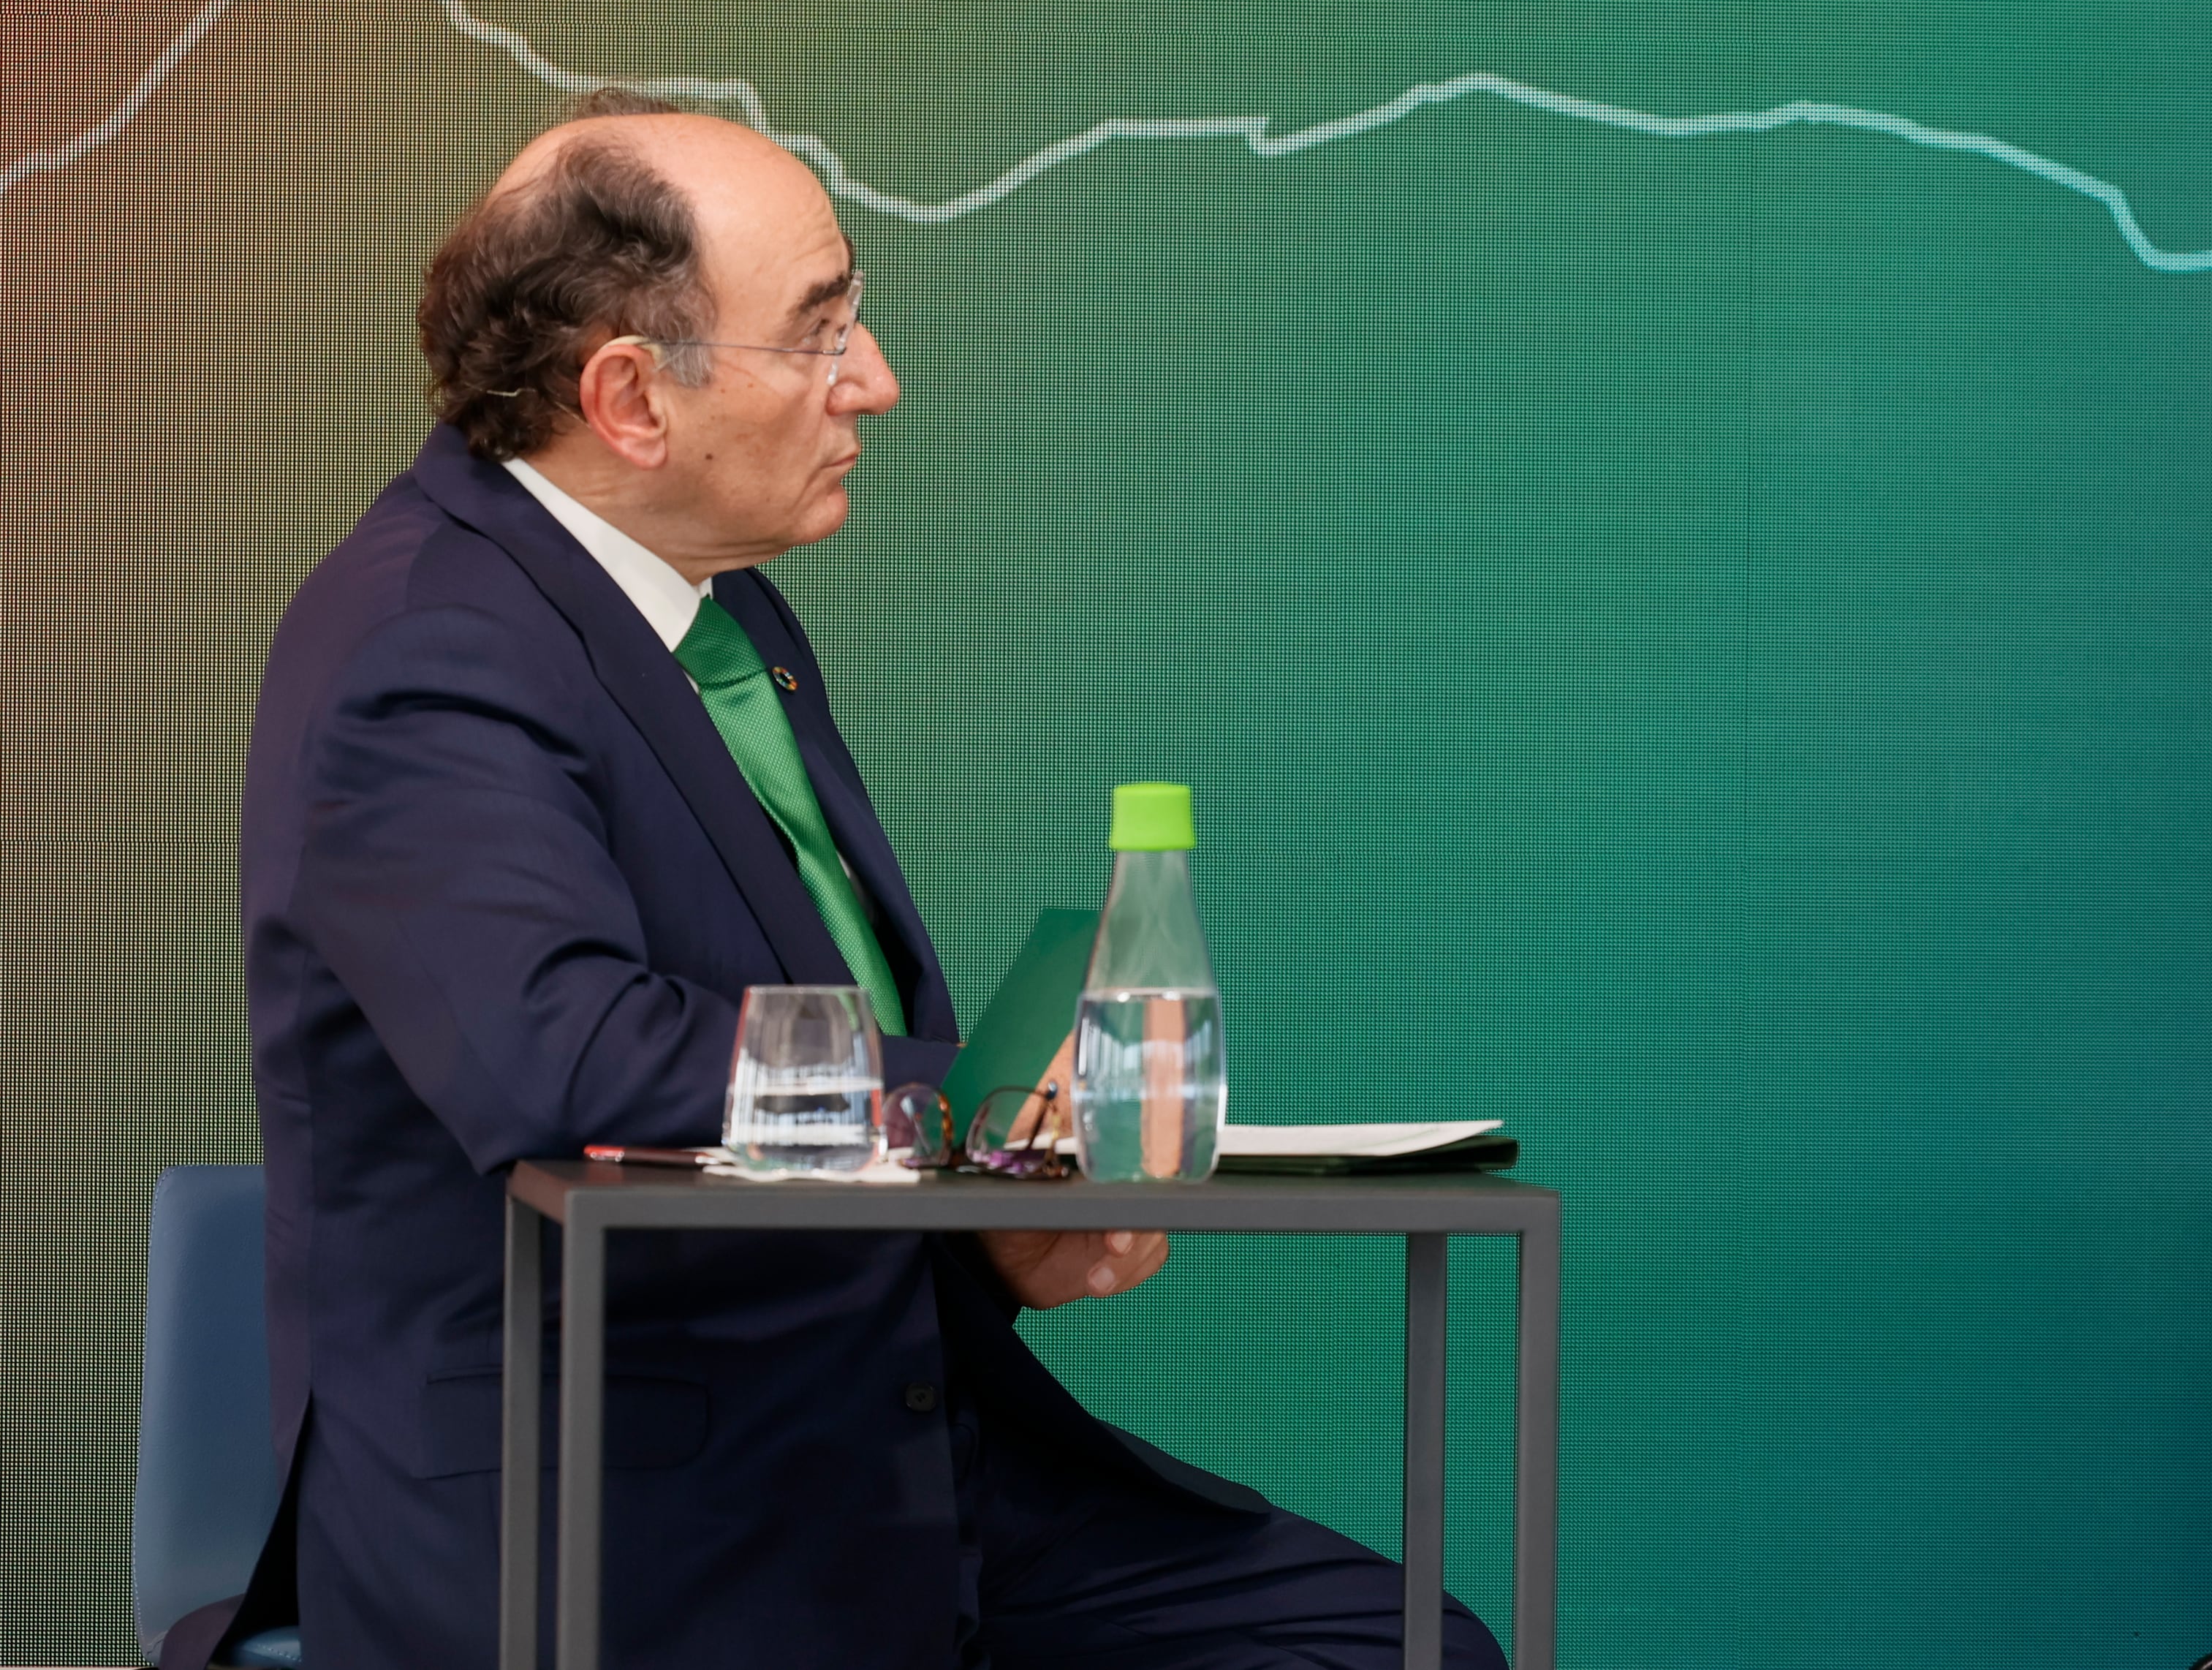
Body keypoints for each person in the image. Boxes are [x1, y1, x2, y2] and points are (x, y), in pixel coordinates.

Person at [220, 91, 1504, 1670]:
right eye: (821, 333)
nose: (876, 383)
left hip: (896, 1448)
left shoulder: (725, 610)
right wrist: (974, 1122)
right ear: (629, 395)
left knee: (1399, 1646)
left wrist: (990, 1221)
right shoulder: (425, 644)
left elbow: (776, 1091)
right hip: (629, 1504)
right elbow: (555, 1054)